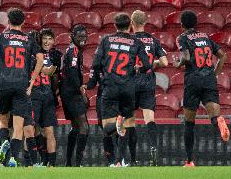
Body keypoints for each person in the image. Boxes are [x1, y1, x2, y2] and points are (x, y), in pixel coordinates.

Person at [87, 13, 151, 166]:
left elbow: (95, 65)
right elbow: (148, 66)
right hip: (128, 87)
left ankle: (116, 129)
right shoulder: (135, 42)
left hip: (110, 87)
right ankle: (118, 161)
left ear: (114, 26)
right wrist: (138, 70)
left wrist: (103, 78)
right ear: (130, 26)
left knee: (107, 127)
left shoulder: (106, 40)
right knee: (128, 124)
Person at [0, 8, 44, 167]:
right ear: (23, 22)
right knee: (18, 128)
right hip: (21, 85)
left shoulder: (1, 37)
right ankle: (11, 159)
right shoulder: (28, 39)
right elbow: (40, 58)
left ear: (8, 21)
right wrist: (32, 81)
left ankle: (4, 145)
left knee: (3, 122)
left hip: (3, 84)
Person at [173, 10, 230, 167]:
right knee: (214, 116)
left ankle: (190, 161)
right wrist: (214, 74)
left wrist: (178, 64)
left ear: (182, 25)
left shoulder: (182, 38)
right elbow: (223, 55)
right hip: (209, 79)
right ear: (196, 24)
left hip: (193, 80)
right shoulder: (205, 37)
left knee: (189, 122)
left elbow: (184, 57)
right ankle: (218, 120)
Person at [131, 10, 168, 166]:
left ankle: (132, 158)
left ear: (132, 24)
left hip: (131, 82)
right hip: (148, 82)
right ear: (145, 23)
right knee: (149, 119)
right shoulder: (153, 40)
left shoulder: (129, 40)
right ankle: (153, 148)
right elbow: (165, 63)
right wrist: (152, 64)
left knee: (129, 120)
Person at [28, 28, 62, 167]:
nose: (47, 41)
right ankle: (38, 160)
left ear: (54, 40)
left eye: (50, 39)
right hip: (34, 95)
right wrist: (54, 66)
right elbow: (47, 71)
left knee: (49, 131)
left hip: (47, 96)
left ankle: (51, 165)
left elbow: (55, 77)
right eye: (44, 38)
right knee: (32, 129)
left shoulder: (54, 55)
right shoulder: (33, 55)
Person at [59, 24, 89, 167]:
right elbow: (71, 72)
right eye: (80, 36)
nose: (83, 39)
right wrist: (81, 91)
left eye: (84, 36)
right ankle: (78, 163)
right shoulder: (74, 51)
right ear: (73, 36)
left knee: (76, 128)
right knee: (84, 127)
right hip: (72, 93)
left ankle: (69, 163)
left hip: (67, 92)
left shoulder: (72, 49)